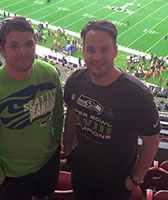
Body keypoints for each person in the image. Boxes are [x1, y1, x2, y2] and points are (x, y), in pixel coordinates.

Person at [63, 19, 160, 200]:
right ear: (83, 50)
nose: (97, 57)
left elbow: (152, 141)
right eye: (91, 49)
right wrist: (68, 149)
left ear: (115, 50)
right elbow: (71, 114)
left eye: (104, 49)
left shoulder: (137, 93)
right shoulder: (76, 80)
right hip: (81, 174)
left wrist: (135, 179)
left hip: (116, 183)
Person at [0, 16, 64, 200]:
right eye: (14, 45)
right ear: (1, 49)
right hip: (13, 174)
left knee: (43, 196)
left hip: (48, 161)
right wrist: (0, 176)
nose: (23, 51)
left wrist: (55, 145)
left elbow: (59, 113)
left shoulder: (49, 73)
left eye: (29, 44)